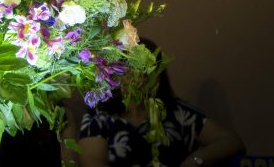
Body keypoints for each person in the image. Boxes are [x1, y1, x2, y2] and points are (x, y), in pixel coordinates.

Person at [78, 39, 245, 167]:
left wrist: (195, 160)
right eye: (129, 72)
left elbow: (232, 142)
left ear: (158, 77)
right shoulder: (99, 117)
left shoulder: (177, 113)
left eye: (145, 73)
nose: (138, 80)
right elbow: (91, 162)